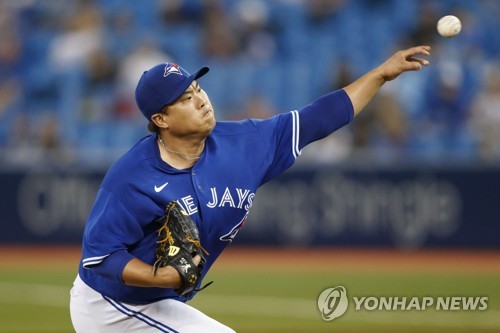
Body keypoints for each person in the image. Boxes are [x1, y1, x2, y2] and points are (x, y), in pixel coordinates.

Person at [70, 45, 431, 332]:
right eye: (184, 99)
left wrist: (381, 74)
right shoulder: (132, 177)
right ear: (160, 120)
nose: (200, 100)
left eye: (197, 88)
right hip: (112, 308)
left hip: (159, 303)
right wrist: (159, 275)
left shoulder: (245, 143)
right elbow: (100, 256)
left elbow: (319, 118)